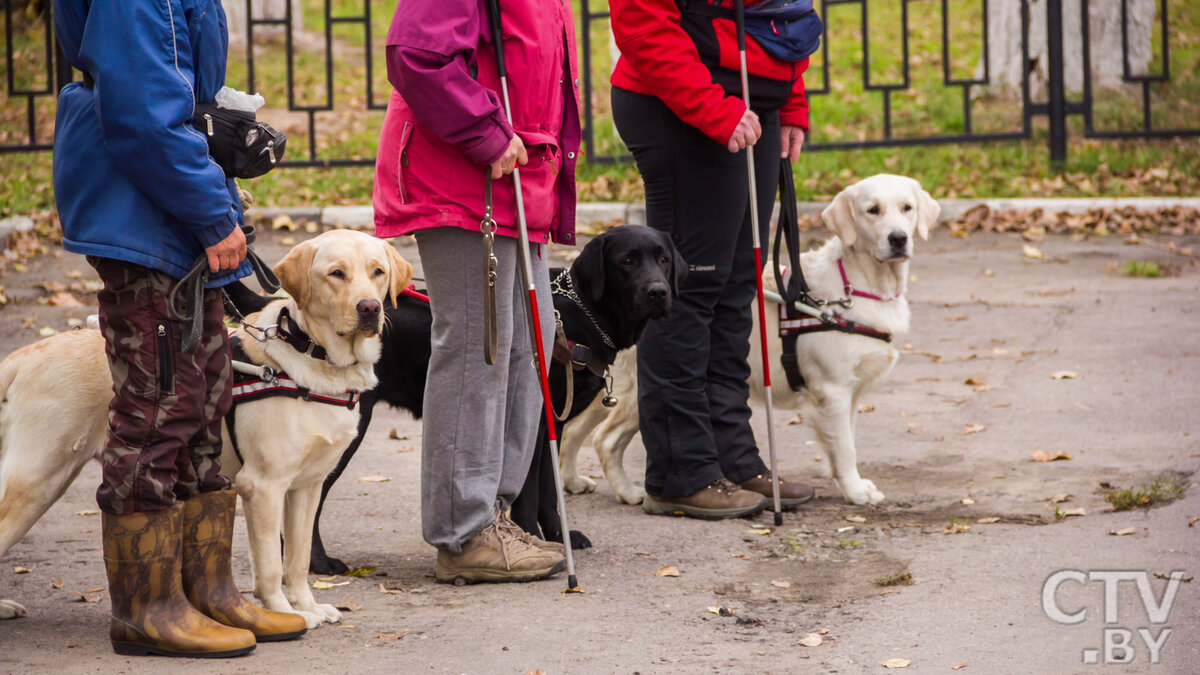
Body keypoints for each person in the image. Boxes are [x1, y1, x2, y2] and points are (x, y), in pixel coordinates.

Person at [52, 0, 306, 657]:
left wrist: (220, 159)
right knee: (160, 403)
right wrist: (208, 209)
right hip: (143, 207)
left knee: (202, 395)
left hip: (162, 203)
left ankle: (206, 588)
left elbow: (177, 90)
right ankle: (147, 605)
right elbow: (142, 113)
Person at [374, 0, 581, 583]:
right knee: (479, 348)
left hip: (518, 183)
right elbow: (416, 55)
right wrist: (486, 134)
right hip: (464, 182)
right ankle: (463, 530)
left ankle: (491, 515)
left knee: (526, 344)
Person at [610, 0, 817, 519]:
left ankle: (732, 457)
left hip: (752, 102)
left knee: (734, 288)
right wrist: (711, 108)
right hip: (683, 105)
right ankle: (682, 472)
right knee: (686, 292)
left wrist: (790, 100)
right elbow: (642, 23)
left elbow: (779, 15)